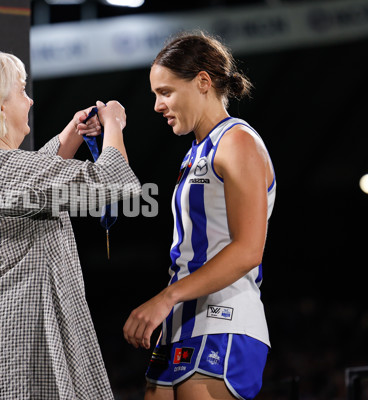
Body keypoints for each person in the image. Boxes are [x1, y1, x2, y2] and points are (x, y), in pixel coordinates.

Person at [0, 50, 140, 399]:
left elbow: (30, 188)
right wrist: (114, 125)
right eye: (21, 90)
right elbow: (112, 183)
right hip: (18, 352)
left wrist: (73, 135)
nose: (30, 99)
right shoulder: (0, 169)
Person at [122, 32, 276, 400]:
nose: (158, 105)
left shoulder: (237, 141)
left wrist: (165, 298)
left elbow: (248, 250)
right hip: (182, 319)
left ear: (203, 83)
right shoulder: (197, 151)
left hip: (225, 317)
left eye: (166, 92)